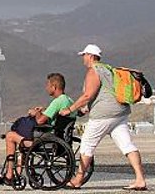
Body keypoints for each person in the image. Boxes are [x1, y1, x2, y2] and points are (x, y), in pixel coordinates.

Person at [60, 45, 146, 190]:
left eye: (84, 55)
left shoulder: (93, 71)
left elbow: (88, 95)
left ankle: (78, 180)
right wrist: (85, 109)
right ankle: (140, 179)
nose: (83, 58)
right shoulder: (109, 69)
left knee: (87, 145)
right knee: (127, 145)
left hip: (103, 115)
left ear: (90, 56)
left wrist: (70, 109)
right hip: (120, 113)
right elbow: (105, 93)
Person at [0, 72, 74, 186]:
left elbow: (40, 121)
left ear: (54, 87)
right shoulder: (69, 100)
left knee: (10, 136)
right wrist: (44, 110)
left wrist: (36, 113)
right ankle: (19, 172)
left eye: (48, 85)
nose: (46, 88)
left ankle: (9, 175)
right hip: (60, 139)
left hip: (46, 141)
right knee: (21, 139)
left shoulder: (57, 102)